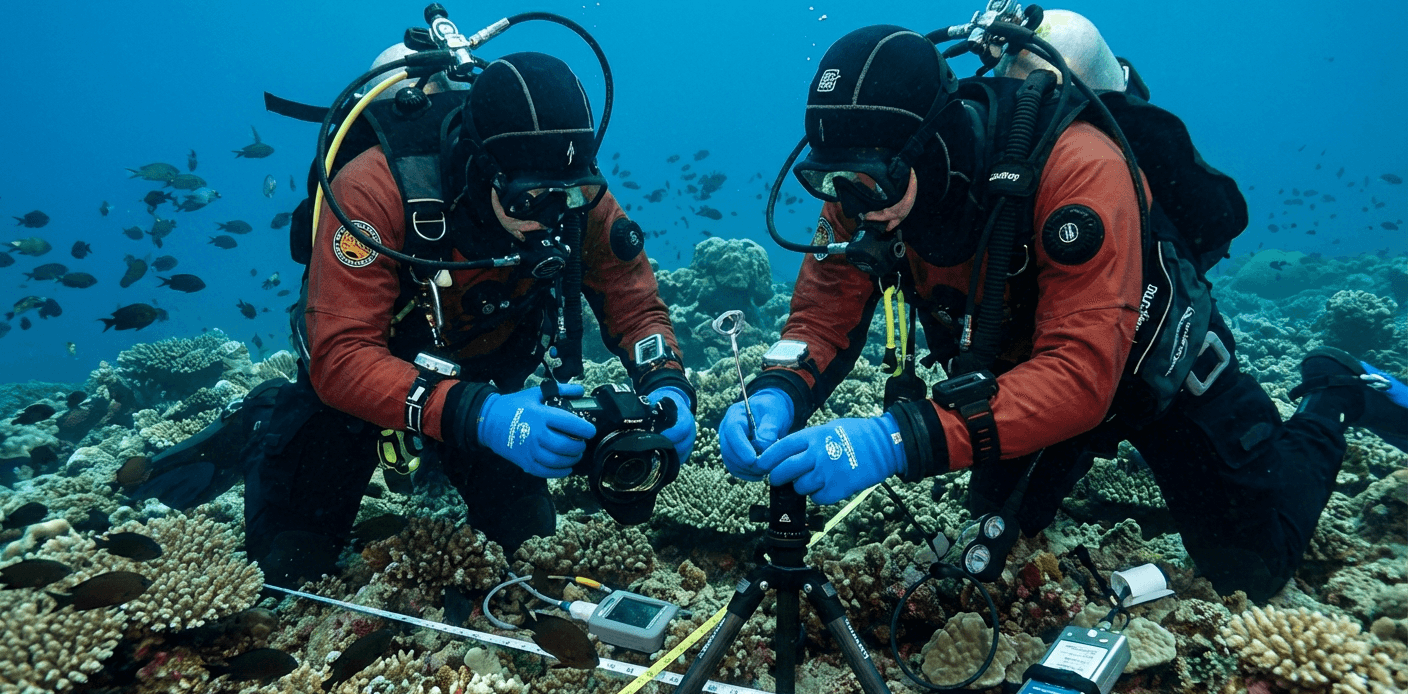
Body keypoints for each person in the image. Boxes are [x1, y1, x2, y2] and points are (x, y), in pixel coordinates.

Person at [719, 22, 1407, 603]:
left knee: (1251, 568)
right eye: (828, 181)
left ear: (930, 142)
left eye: (868, 182)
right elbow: (823, 315)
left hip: (1150, 372)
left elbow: (1082, 375)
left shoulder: (1079, 168)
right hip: (1020, 381)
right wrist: (777, 391)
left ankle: (1335, 392)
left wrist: (896, 440)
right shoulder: (862, 187)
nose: (849, 202)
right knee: (992, 539)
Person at [235, 47, 696, 586]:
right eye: (529, 199)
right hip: (365, 389)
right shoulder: (373, 190)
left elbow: (634, 303)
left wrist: (666, 382)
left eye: (574, 195)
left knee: (526, 537)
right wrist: (482, 417)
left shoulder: (573, 194)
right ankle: (262, 417)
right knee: (292, 561)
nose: (552, 217)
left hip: (489, 384)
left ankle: (442, 449)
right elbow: (340, 356)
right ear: (484, 169)